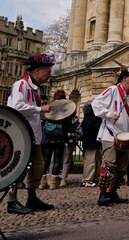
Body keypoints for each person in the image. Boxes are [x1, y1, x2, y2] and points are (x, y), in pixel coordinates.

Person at [92, 64, 129, 206]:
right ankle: (102, 194)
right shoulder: (112, 90)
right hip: (110, 134)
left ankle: (112, 192)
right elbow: (96, 103)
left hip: (125, 135)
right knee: (109, 164)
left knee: (121, 168)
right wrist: (108, 114)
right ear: (124, 78)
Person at [6, 53, 56, 214]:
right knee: (19, 169)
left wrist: (42, 114)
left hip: (33, 135)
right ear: (36, 72)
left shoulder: (36, 89)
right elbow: (16, 107)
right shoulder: (21, 85)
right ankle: (11, 202)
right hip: (21, 135)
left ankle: (31, 197)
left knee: (38, 167)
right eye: (47, 71)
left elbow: (31, 111)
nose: (49, 74)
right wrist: (39, 109)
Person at [40, 89, 70, 190]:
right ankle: (53, 183)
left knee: (45, 160)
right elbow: (69, 124)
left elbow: (43, 119)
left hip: (47, 136)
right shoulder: (66, 109)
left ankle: (42, 182)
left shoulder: (50, 106)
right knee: (57, 160)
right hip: (59, 137)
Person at [81, 103, 102, 187]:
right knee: (90, 161)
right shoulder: (90, 116)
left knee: (97, 161)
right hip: (91, 141)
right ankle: (87, 179)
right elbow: (89, 126)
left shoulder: (91, 116)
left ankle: (95, 178)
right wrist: (101, 124)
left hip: (94, 141)